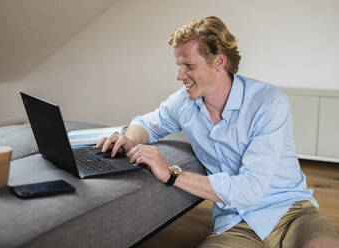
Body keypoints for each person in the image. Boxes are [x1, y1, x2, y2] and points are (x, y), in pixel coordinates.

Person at [93, 16, 339, 247]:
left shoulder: (268, 102)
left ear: (219, 61)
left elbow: (250, 189)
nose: (180, 76)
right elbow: (148, 123)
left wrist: (171, 174)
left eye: (188, 66)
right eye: (179, 66)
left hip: (291, 211)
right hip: (236, 222)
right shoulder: (184, 103)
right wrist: (128, 139)